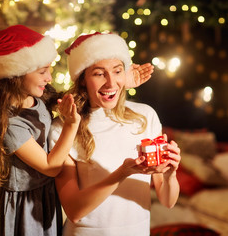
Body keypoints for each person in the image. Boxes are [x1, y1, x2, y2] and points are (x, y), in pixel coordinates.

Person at [0, 25, 154, 236]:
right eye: (43, 71)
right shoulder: (9, 123)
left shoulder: (37, 97)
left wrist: (117, 81)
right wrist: (72, 125)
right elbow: (51, 167)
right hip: (22, 205)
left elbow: (77, 97)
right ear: (16, 75)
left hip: (45, 195)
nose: (49, 78)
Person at [49, 32, 181, 236]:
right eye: (99, 74)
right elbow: (74, 211)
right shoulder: (64, 128)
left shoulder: (145, 116)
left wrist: (171, 173)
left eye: (117, 71)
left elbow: (168, 201)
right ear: (83, 79)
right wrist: (122, 173)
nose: (111, 83)